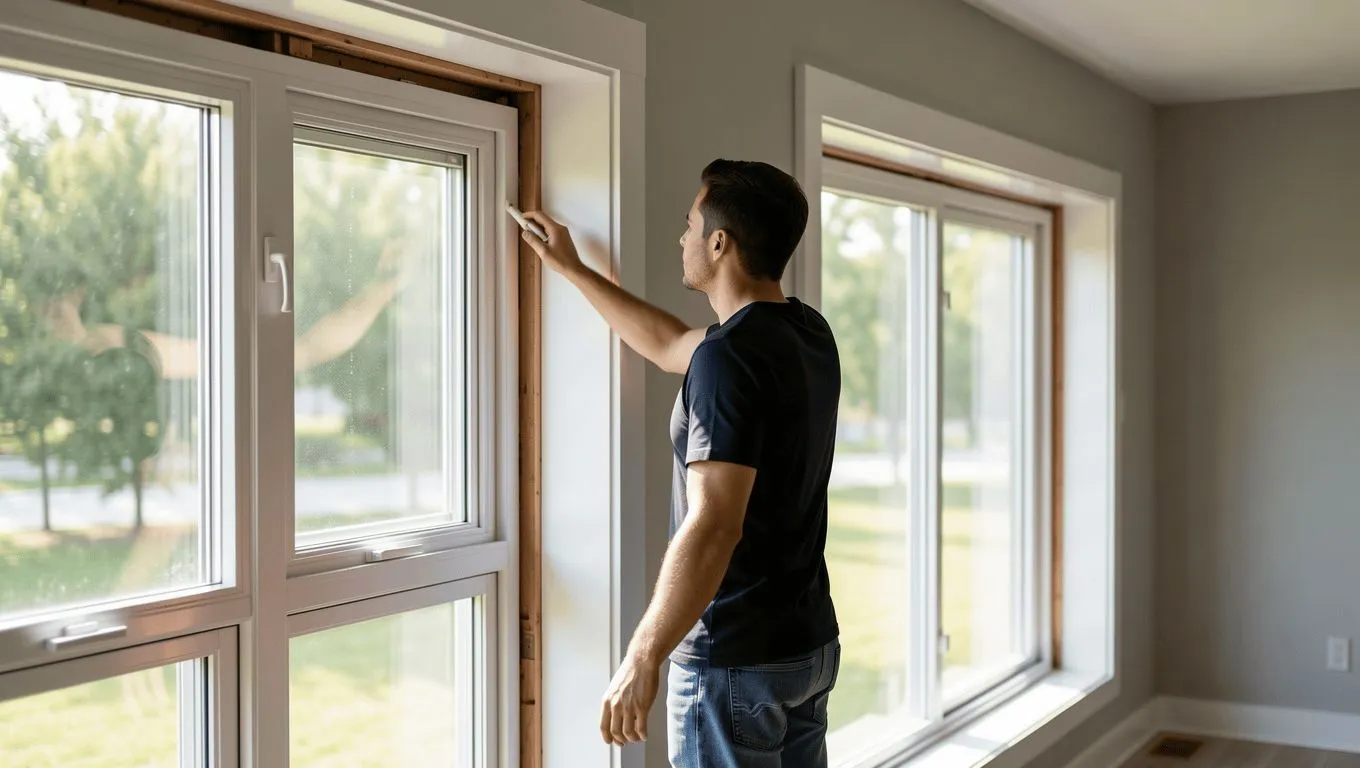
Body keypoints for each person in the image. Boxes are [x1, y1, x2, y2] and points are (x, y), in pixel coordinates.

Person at [520, 158, 842, 767]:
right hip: (806, 647)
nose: (682, 237)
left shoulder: (730, 358)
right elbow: (669, 345)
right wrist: (571, 269)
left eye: (690, 224)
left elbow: (715, 522)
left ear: (720, 242)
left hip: (736, 662)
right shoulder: (806, 333)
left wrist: (643, 655)